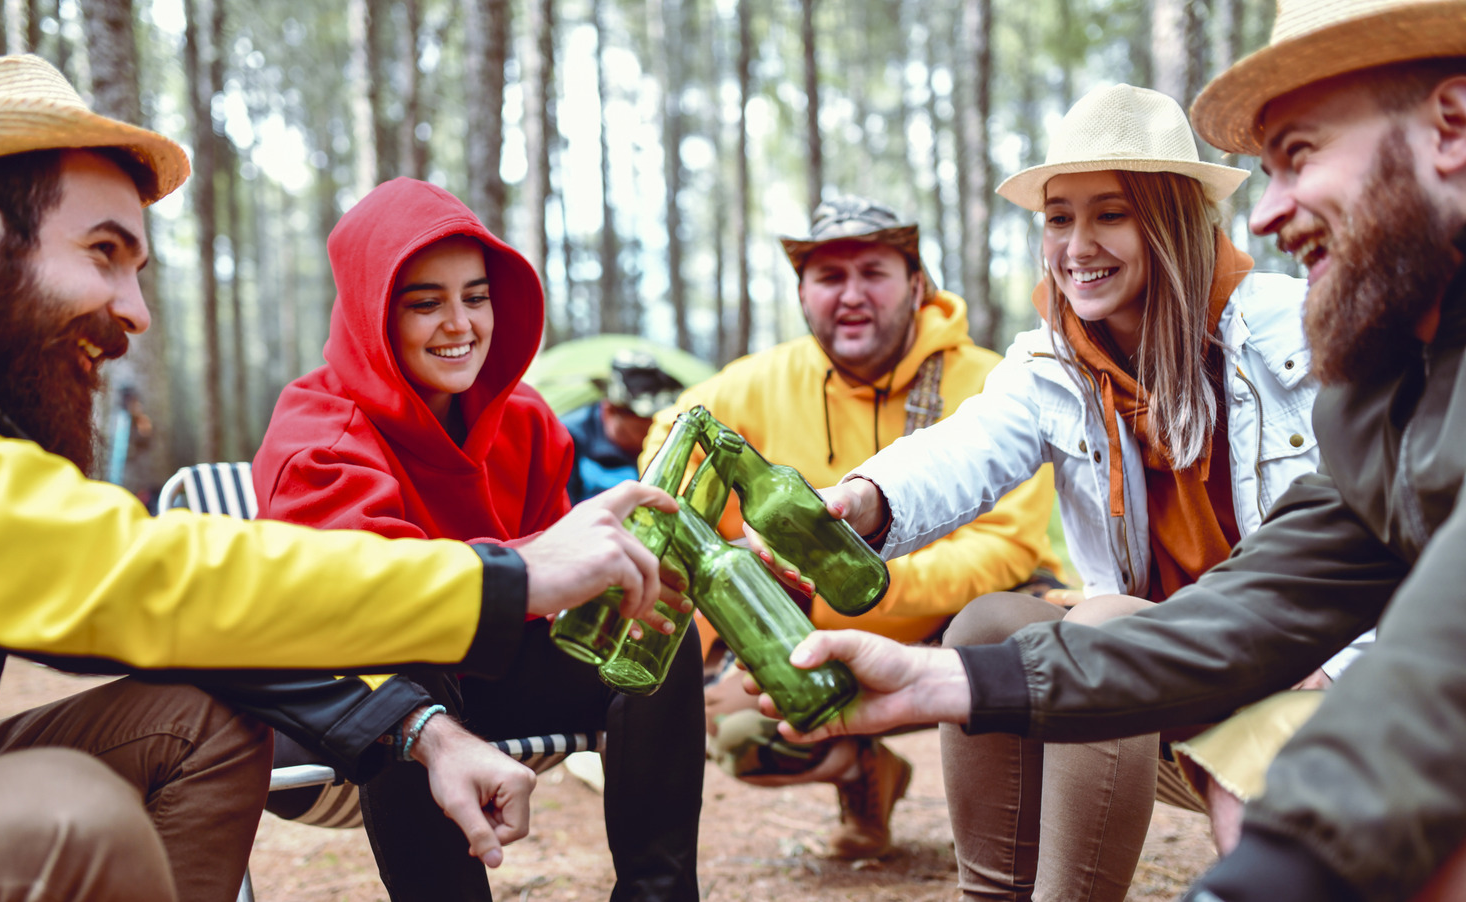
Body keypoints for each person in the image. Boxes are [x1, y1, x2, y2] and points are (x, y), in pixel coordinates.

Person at [0, 55, 677, 902]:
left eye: (137, 269)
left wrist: (426, 732)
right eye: (103, 252)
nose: (136, 310)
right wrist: (512, 577)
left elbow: (195, 610)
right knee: (69, 814)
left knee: (197, 723)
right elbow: (128, 574)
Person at [755, 1, 1466, 897]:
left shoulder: (1307, 334)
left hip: (1297, 675)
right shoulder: (1058, 358)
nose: (1077, 248)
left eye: (1301, 156)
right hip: (1189, 660)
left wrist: (1320, 690)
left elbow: (1398, 620)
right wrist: (863, 515)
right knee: (992, 623)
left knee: (1107, 623)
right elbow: (963, 450)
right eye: (1058, 219)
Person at [249, 176, 703, 902]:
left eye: (476, 295)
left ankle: (659, 894)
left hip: (482, 677)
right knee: (406, 648)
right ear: (373, 314)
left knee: (655, 631)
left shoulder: (523, 419)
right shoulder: (320, 437)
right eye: (425, 302)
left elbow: (560, 576)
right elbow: (358, 608)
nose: (459, 323)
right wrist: (526, 567)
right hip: (344, 702)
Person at [642, 194, 1061, 860]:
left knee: (1036, 646)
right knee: (734, 728)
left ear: (918, 284)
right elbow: (672, 440)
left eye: (874, 271)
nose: (851, 295)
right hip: (810, 628)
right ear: (803, 293)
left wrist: (857, 586)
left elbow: (1003, 549)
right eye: (830, 277)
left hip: (950, 620)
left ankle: (1022, 834)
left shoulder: (990, 382)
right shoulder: (761, 380)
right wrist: (726, 553)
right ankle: (867, 773)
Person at [563, 349, 685, 503]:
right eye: (644, 418)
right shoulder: (571, 439)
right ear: (611, 410)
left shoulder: (663, 437)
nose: (655, 426)